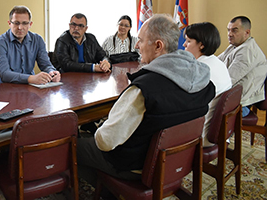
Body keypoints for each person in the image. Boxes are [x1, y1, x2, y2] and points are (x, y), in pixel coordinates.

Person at [76, 14, 215, 186]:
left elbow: (105, 142)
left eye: (141, 40)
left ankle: (105, 190)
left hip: (137, 166)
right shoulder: (203, 79)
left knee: (73, 147)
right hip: (178, 161)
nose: (136, 45)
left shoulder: (144, 89)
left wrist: (100, 128)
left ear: (158, 45)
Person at [183, 22, 232, 147]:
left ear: (201, 45)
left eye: (188, 41)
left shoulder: (199, 70)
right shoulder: (218, 63)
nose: (184, 45)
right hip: (221, 132)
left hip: (201, 136)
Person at [0, 5, 61, 84]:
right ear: (9, 23)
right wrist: (31, 78)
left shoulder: (37, 40)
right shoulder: (0, 42)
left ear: (30, 24)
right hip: (4, 88)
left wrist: (52, 72)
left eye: (24, 23)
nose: (20, 27)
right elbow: (4, 74)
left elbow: (45, 65)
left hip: (29, 87)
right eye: (16, 23)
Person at [218, 16, 267, 117]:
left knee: (202, 110)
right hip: (232, 98)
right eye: (228, 30)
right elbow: (217, 63)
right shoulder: (235, 46)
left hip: (240, 106)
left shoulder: (247, 51)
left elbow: (229, 80)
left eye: (234, 31)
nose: (229, 34)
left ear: (247, 32)